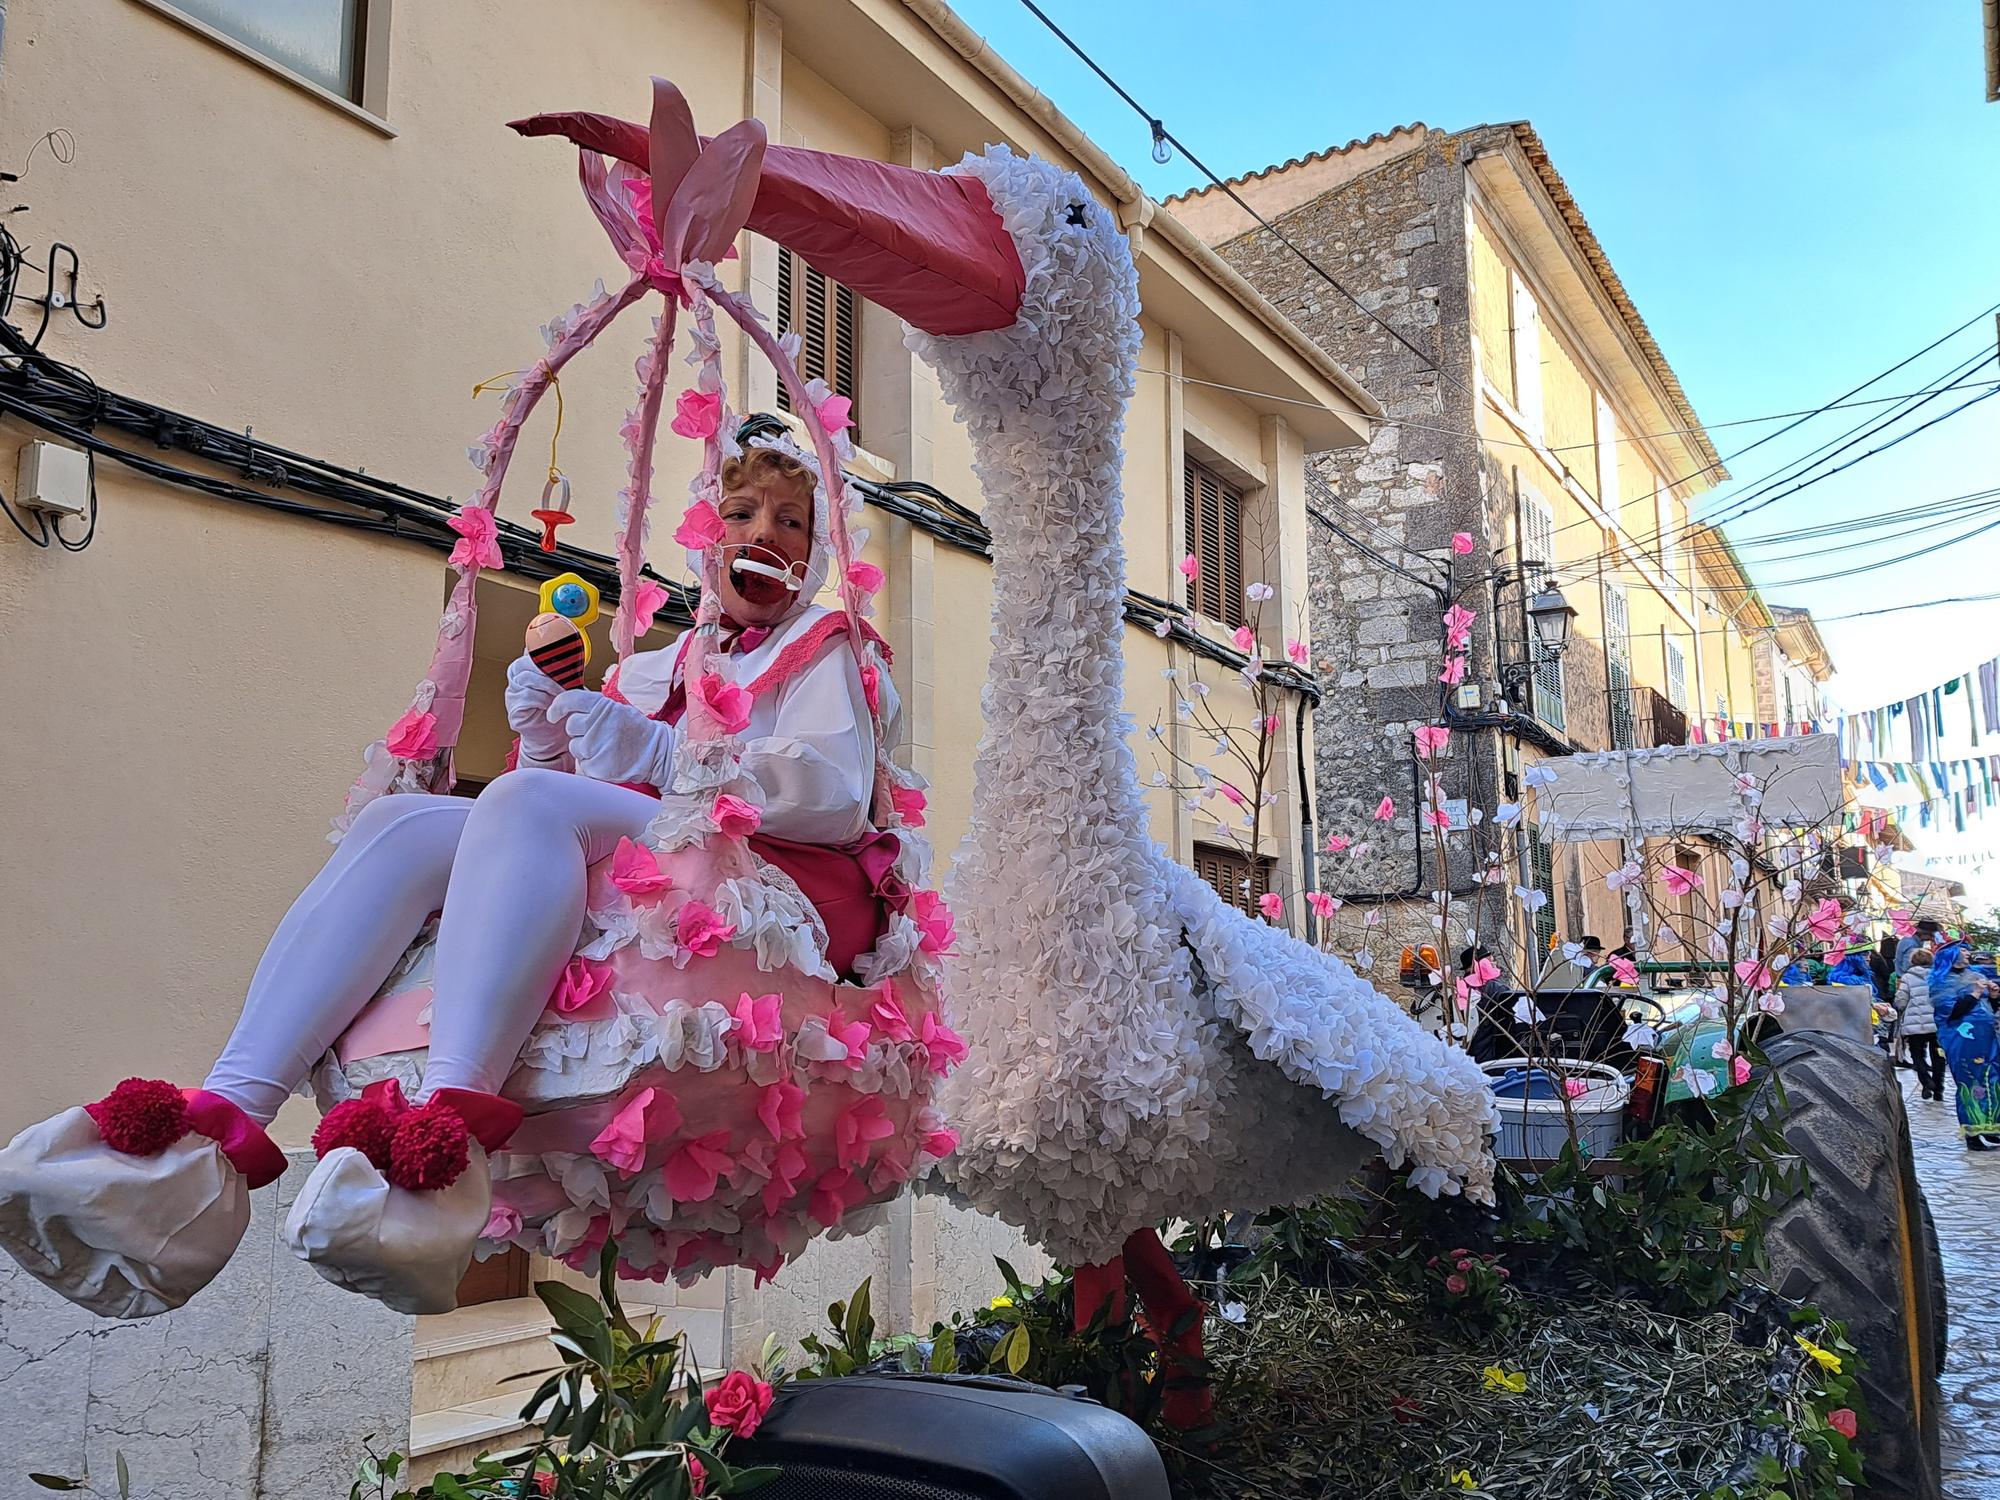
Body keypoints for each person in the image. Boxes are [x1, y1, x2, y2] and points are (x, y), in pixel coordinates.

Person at [0, 420, 905, 1317]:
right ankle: (216, 1129)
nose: (761, 533)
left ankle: (443, 1126)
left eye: (790, 520)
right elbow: (565, 812)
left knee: (518, 806)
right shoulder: (657, 664)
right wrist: (550, 732)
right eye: (741, 511)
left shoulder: (827, 648)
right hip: (661, 861)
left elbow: (826, 792)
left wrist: (663, 755)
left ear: (816, 551)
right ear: (706, 537)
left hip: (766, 878)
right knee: (403, 823)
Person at [1930, 939, 2000, 1149]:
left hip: (1987, 1038)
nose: (1967, 953)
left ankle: (1992, 1128)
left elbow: (1990, 1009)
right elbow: (1951, 1013)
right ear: (1950, 954)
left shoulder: (1976, 976)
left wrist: (1994, 997)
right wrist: (1975, 994)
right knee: (1970, 1082)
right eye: (1962, 950)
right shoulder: (1941, 982)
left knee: (1992, 1079)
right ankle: (1972, 1133)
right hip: (1962, 1040)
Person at [1897, 946, 1942, 1101]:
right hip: (1936, 1021)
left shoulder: (1908, 977)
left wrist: (1899, 1008)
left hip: (1914, 1023)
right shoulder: (1937, 976)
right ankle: (1938, 1090)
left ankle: (1926, 1081)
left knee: (1917, 1054)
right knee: (1938, 1055)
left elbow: (1901, 1000)